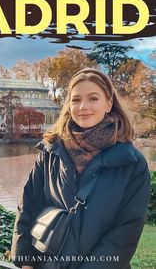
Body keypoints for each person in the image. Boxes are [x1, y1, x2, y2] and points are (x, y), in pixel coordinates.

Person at [11, 68, 151, 269]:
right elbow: (27, 205)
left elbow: (127, 229)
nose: (83, 106)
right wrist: (25, 260)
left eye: (93, 98)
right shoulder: (51, 150)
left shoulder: (132, 162)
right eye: (76, 100)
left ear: (108, 103)